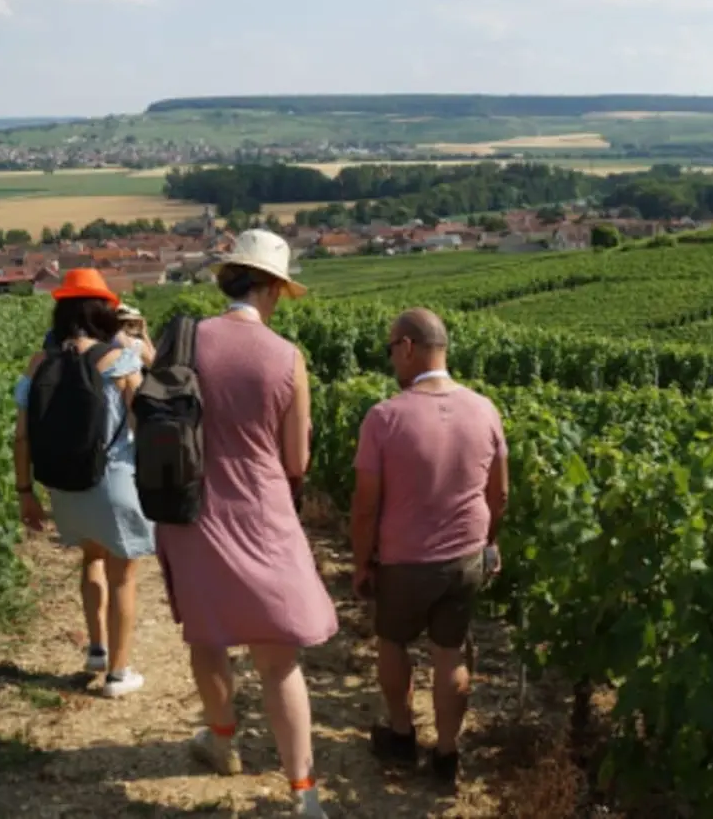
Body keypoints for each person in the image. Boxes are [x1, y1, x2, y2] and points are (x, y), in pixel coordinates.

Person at [154, 229, 336, 819]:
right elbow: (297, 461)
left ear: (228, 278)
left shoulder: (183, 342)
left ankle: (222, 742)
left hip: (192, 509)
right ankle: (303, 796)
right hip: (261, 512)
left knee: (207, 635)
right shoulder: (287, 357)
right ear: (276, 289)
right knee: (279, 659)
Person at [350, 307, 509, 788]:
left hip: (404, 560)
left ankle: (401, 738)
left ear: (406, 347)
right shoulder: (484, 409)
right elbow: (499, 494)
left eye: (390, 350)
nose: (391, 360)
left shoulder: (385, 417)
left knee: (394, 642)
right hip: (464, 558)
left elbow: (365, 507)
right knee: (451, 652)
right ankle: (446, 755)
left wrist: (361, 563)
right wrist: (489, 543)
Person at [12, 268, 152, 698]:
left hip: (64, 484)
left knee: (90, 560)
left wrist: (25, 493)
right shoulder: (119, 361)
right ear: (102, 311)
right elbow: (143, 424)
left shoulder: (38, 364)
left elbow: (22, 435)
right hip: (113, 481)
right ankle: (118, 673)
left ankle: (96, 649)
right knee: (124, 575)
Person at [115, 303, 156, 367]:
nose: (137, 326)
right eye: (132, 323)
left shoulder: (108, 339)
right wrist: (145, 334)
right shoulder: (136, 343)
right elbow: (154, 363)